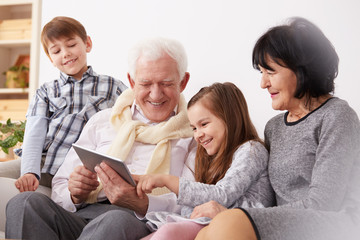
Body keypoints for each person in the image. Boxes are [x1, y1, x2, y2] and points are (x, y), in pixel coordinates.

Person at [5, 37, 197, 240]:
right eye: (146, 83)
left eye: (166, 83)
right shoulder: (103, 120)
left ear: (183, 82)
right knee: (24, 203)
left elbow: (195, 201)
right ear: (132, 82)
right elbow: (61, 184)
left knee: (115, 220)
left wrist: (141, 203)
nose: (156, 94)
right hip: (83, 214)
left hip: (139, 221)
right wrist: (74, 193)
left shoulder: (194, 134)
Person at [194, 17, 360, 240]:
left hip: (332, 224)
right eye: (261, 73)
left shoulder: (336, 116)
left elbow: (323, 202)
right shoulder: (274, 128)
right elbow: (270, 198)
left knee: (229, 223)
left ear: (303, 70)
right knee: (205, 231)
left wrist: (241, 217)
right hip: (287, 226)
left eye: (270, 72)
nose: (263, 83)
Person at [0, 16, 127, 191]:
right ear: (50, 57)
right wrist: (29, 171)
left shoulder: (113, 86)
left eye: (71, 45)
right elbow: (34, 134)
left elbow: (137, 116)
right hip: (45, 165)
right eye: (56, 51)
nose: (65, 53)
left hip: (81, 171)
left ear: (87, 44)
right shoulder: (46, 91)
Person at [136, 82, 274, 240]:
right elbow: (191, 209)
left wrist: (166, 180)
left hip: (239, 228)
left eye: (204, 124)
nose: (197, 135)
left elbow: (222, 195)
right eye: (194, 128)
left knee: (167, 234)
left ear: (230, 118)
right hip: (208, 224)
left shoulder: (251, 151)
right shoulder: (202, 156)